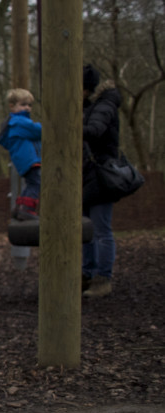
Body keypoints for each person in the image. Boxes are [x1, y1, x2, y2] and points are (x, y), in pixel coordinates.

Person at [81, 64, 122, 299]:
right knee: (86, 228)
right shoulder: (92, 106)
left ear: (85, 89)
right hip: (89, 174)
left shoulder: (104, 106)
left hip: (102, 173)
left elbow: (94, 131)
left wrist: (68, 127)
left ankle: (102, 278)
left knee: (100, 229)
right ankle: (87, 273)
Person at [0, 88, 43, 220]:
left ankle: (20, 207)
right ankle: (27, 209)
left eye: (29, 105)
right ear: (12, 106)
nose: (27, 108)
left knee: (30, 183)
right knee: (36, 183)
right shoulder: (19, 122)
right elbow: (38, 131)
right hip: (29, 158)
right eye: (23, 105)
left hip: (24, 159)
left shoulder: (17, 122)